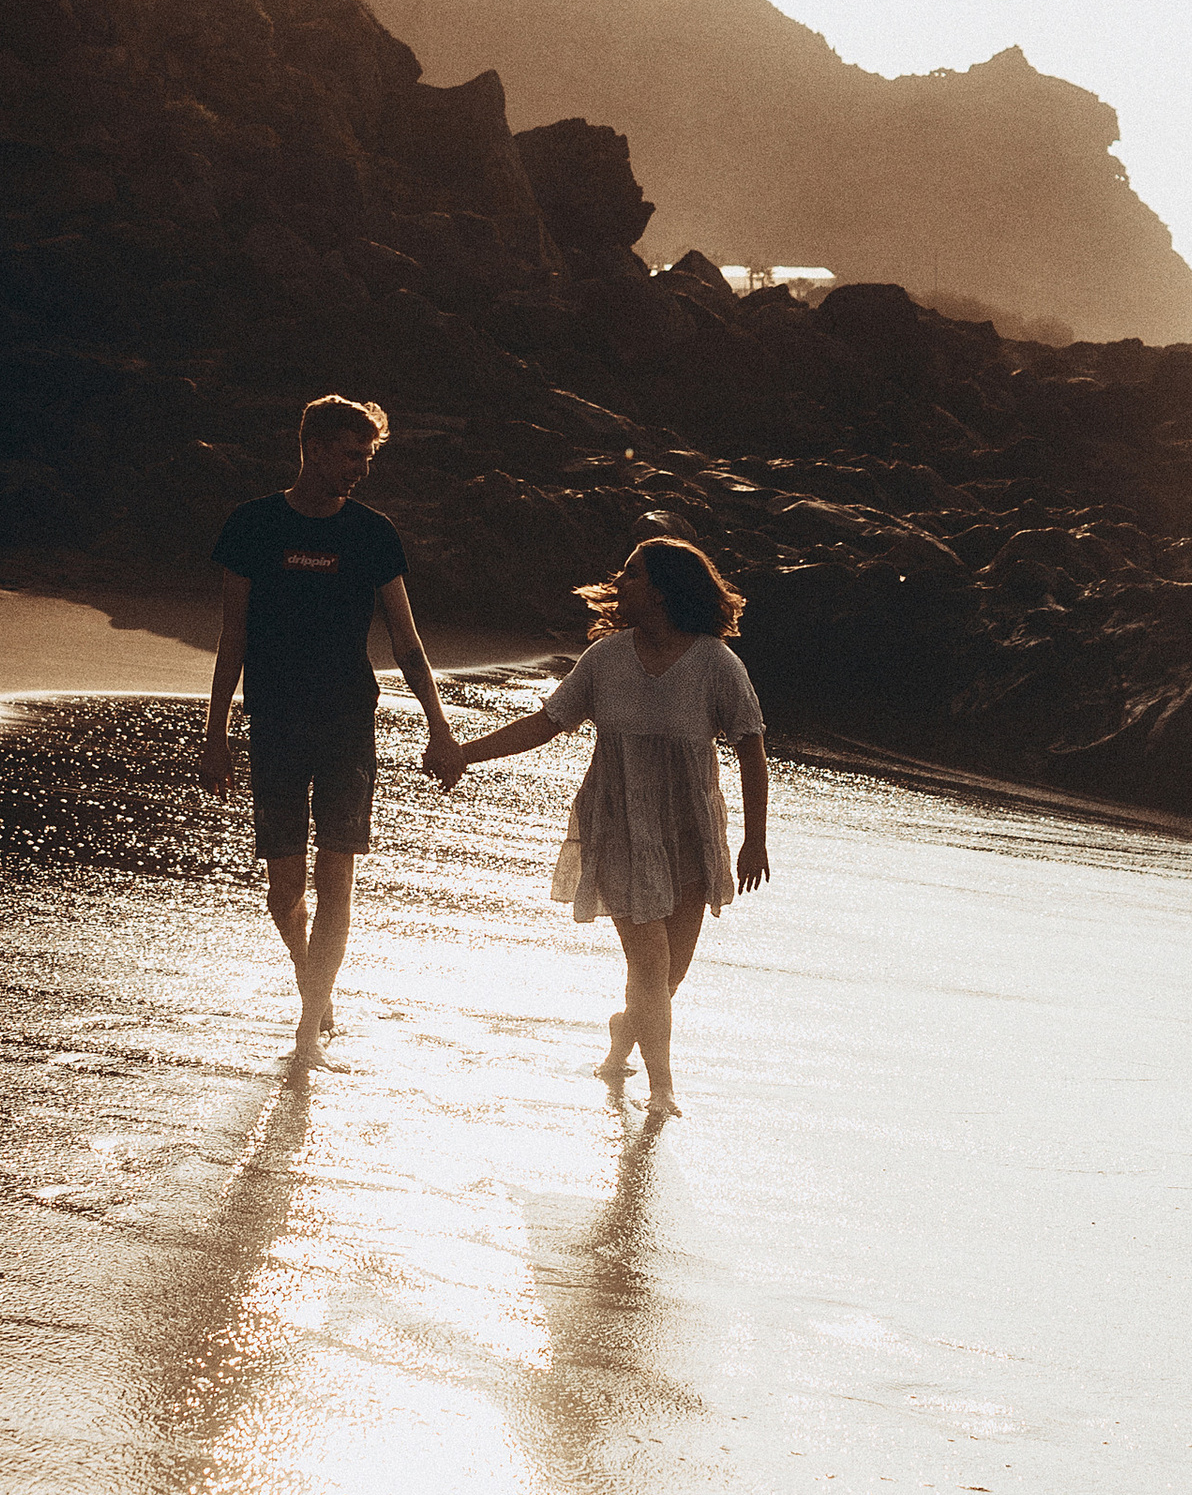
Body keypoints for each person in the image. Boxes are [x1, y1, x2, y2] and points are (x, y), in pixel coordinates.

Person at [438, 538, 769, 1116]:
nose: (619, 583)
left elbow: (752, 750)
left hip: (689, 833)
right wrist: (464, 754)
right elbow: (544, 723)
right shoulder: (605, 659)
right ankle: (662, 1090)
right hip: (617, 826)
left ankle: (626, 1029)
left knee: (669, 975)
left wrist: (755, 839)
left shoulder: (717, 665)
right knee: (650, 965)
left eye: (633, 575)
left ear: (662, 591)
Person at [200, 394, 461, 1067]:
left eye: (367, 457)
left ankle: (307, 1028)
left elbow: (408, 643)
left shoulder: (373, 534)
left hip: (348, 725)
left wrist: (440, 729)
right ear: (313, 448)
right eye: (351, 455)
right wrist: (215, 735)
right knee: (284, 891)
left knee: (336, 878)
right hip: (276, 723)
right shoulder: (253, 526)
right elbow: (232, 639)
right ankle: (312, 981)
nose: (361, 469)